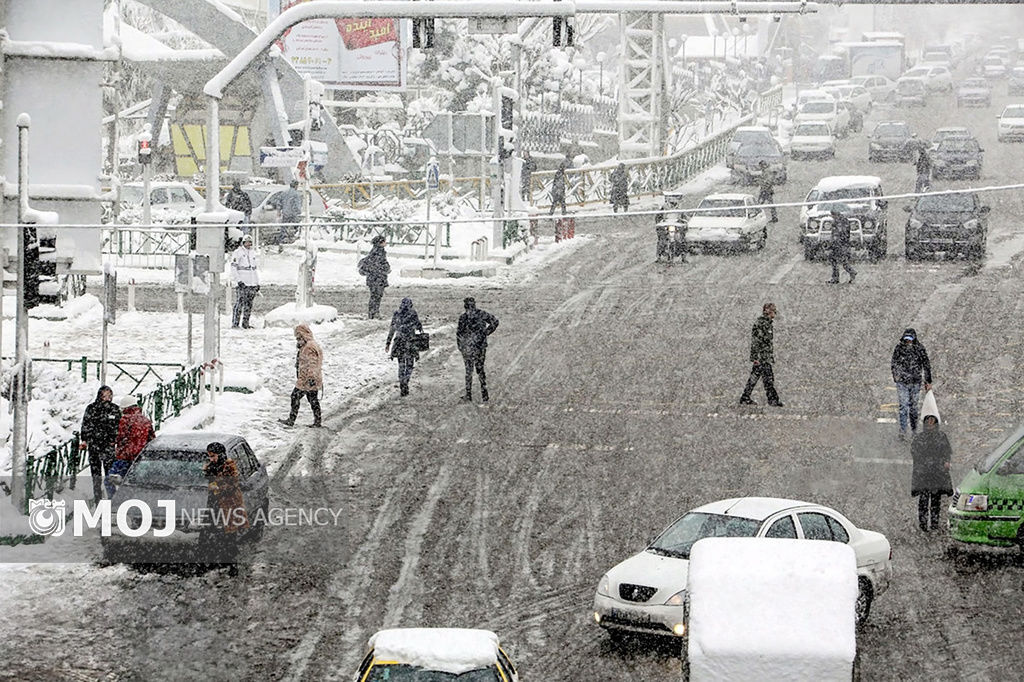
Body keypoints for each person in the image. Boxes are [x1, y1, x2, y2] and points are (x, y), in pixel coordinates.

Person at [201, 442, 249, 571]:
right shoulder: (211, 467)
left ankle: (230, 564)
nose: (211, 459)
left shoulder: (229, 467)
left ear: (221, 455)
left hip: (228, 505)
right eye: (209, 456)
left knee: (228, 536)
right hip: (214, 504)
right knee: (211, 533)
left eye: (213, 456)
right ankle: (214, 562)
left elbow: (232, 485)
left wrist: (217, 487)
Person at [911, 413, 953, 532]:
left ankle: (934, 524)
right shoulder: (920, 438)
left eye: (932, 424)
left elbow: (947, 452)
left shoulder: (940, 437)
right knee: (925, 501)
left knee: (935, 501)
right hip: (926, 474)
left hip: (935, 474)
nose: (930, 426)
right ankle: (924, 524)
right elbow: (915, 454)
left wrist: (945, 462)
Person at [79, 386, 121, 504]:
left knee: (109, 473)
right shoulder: (92, 408)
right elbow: (86, 424)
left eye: (110, 395)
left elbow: (119, 426)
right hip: (94, 445)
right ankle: (97, 497)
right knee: (96, 473)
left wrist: (115, 439)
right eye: (105, 395)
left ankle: (111, 497)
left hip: (108, 446)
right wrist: (85, 440)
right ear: (99, 395)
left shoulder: (114, 409)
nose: (108, 398)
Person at [106, 395, 155, 497]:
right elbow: (152, 439)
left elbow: (120, 438)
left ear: (125, 408)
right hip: (140, 458)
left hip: (125, 457)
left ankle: (114, 501)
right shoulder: (145, 420)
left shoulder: (125, 420)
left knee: (109, 480)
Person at [891, 328, 933, 439]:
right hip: (903, 382)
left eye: (910, 339)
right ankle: (903, 430)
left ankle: (914, 430)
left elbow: (926, 365)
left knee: (913, 408)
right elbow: (894, 363)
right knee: (904, 407)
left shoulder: (919, 349)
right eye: (907, 340)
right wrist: (896, 376)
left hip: (915, 382)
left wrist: (928, 381)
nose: (908, 342)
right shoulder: (899, 348)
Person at [739, 303, 784, 407]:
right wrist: (756, 357)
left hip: (764, 356)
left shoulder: (766, 323)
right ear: (769, 312)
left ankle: (746, 397)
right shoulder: (762, 324)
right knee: (767, 379)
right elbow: (757, 342)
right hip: (762, 357)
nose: (775, 314)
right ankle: (772, 400)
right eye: (774, 311)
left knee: (756, 378)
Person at [280, 324, 323, 427]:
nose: (297, 340)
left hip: (307, 380)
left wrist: (311, 378)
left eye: (299, 338)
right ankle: (317, 421)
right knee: (312, 400)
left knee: (295, 397)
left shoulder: (309, 347)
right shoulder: (308, 345)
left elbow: (312, 364)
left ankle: (292, 420)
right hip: (307, 379)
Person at [457, 297, 500, 403]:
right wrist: (486, 333)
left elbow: (459, 334)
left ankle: (469, 394)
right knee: (480, 370)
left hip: (470, 347)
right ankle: (484, 394)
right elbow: (495, 322)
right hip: (478, 347)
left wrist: (461, 346)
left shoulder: (464, 318)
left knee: (469, 371)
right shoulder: (481, 314)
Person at [385, 298, 424, 398]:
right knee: (410, 364)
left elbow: (392, 329)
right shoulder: (413, 313)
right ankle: (406, 381)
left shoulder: (397, 314)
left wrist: (388, 342)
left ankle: (402, 382)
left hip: (399, 342)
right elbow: (419, 327)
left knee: (401, 365)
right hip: (411, 342)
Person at [230, 233, 260, 329]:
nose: (249, 244)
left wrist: (257, 283)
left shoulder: (252, 253)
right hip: (243, 283)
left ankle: (245, 323)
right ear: (243, 242)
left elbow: (254, 269)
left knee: (249, 305)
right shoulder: (238, 253)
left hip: (251, 283)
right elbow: (233, 268)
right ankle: (235, 323)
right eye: (247, 242)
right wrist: (238, 280)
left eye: (250, 242)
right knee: (239, 304)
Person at [359, 235, 391, 319]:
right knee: (376, 296)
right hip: (377, 278)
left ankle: (373, 312)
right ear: (380, 243)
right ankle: (374, 312)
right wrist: (386, 268)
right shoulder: (378, 252)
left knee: (375, 296)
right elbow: (379, 265)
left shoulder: (376, 251)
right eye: (384, 241)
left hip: (374, 278)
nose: (385, 243)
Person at [827, 208, 857, 284]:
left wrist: (834, 243)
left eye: (832, 215)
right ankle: (836, 277)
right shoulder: (839, 221)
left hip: (841, 245)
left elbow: (840, 234)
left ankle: (851, 272)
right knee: (836, 261)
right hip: (839, 245)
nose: (832, 217)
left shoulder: (841, 222)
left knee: (842, 262)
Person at [271, 180, 302, 250]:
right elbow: (297, 205)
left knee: (284, 227)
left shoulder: (284, 193)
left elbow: (279, 202)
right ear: (296, 186)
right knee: (295, 228)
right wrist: (299, 212)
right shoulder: (296, 194)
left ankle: (283, 239)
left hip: (285, 213)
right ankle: (293, 239)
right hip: (293, 214)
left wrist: (279, 210)